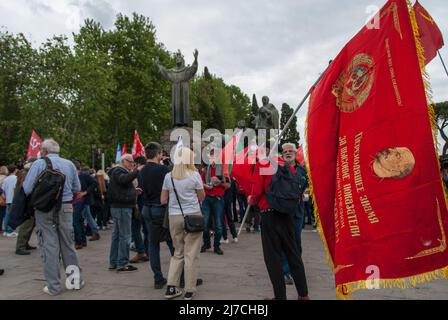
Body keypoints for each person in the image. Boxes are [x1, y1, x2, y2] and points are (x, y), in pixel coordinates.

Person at [22, 138, 84, 296]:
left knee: (49, 246)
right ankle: (74, 282)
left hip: (44, 209)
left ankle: (54, 286)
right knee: (68, 245)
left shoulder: (39, 164)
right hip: (66, 207)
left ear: (43, 151)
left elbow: (27, 188)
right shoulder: (69, 164)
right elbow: (77, 187)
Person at [248, 142, 309, 300]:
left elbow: (257, 191)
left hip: (269, 215)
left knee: (273, 258)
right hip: (287, 215)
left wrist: (251, 199)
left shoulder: (263, 164)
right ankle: (303, 295)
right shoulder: (287, 165)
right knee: (293, 254)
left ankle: (280, 297)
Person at [161, 147, 205, 300]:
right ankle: (189, 290)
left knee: (178, 252)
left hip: (174, 216)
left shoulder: (169, 176)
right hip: (193, 215)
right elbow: (201, 196)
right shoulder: (194, 175)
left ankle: (171, 287)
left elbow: (163, 200)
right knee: (191, 254)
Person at [139, 142, 175, 289]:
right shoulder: (163, 170)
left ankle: (158, 277)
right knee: (172, 242)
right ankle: (183, 274)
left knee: (152, 244)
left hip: (146, 208)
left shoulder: (141, 170)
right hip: (160, 209)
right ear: (158, 154)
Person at [108, 153, 143, 273]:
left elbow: (122, 186)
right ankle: (122, 263)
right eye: (130, 161)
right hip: (122, 207)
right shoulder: (119, 171)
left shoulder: (117, 171)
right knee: (125, 236)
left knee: (117, 235)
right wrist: (136, 171)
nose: (132, 163)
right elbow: (124, 180)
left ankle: (114, 262)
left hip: (119, 207)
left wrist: (134, 191)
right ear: (123, 161)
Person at [280, 143, 308, 285]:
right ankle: (285, 271)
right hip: (282, 212)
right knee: (286, 241)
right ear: (282, 153)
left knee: (296, 241)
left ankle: (295, 268)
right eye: (286, 151)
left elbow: (307, 188)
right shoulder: (278, 170)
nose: (288, 153)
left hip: (297, 211)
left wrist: (306, 194)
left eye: (291, 151)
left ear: (296, 153)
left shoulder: (303, 171)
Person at [200, 149, 230, 255]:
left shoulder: (223, 170)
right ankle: (207, 243)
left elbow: (228, 185)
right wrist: (205, 185)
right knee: (205, 223)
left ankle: (217, 246)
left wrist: (220, 182)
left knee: (218, 224)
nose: (212, 159)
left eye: (215, 156)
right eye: (211, 156)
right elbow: (201, 182)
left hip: (218, 198)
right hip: (207, 198)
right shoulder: (205, 169)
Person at [73, 162, 100, 249]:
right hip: (75, 200)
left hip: (82, 200)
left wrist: (85, 192)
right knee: (80, 220)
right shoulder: (75, 175)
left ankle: (79, 241)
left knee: (76, 220)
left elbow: (95, 183)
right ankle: (83, 240)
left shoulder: (83, 175)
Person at [15, 159, 37, 255]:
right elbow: (26, 189)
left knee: (30, 224)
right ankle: (20, 246)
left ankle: (24, 243)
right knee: (26, 225)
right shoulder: (26, 174)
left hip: (27, 203)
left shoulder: (24, 173)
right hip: (26, 203)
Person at [2, 165, 18, 237]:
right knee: (12, 216)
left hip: (8, 199)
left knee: (7, 215)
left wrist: (5, 197)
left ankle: (6, 230)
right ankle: (9, 230)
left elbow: (3, 190)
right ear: (15, 170)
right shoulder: (16, 178)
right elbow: (15, 189)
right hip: (13, 199)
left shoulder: (6, 179)